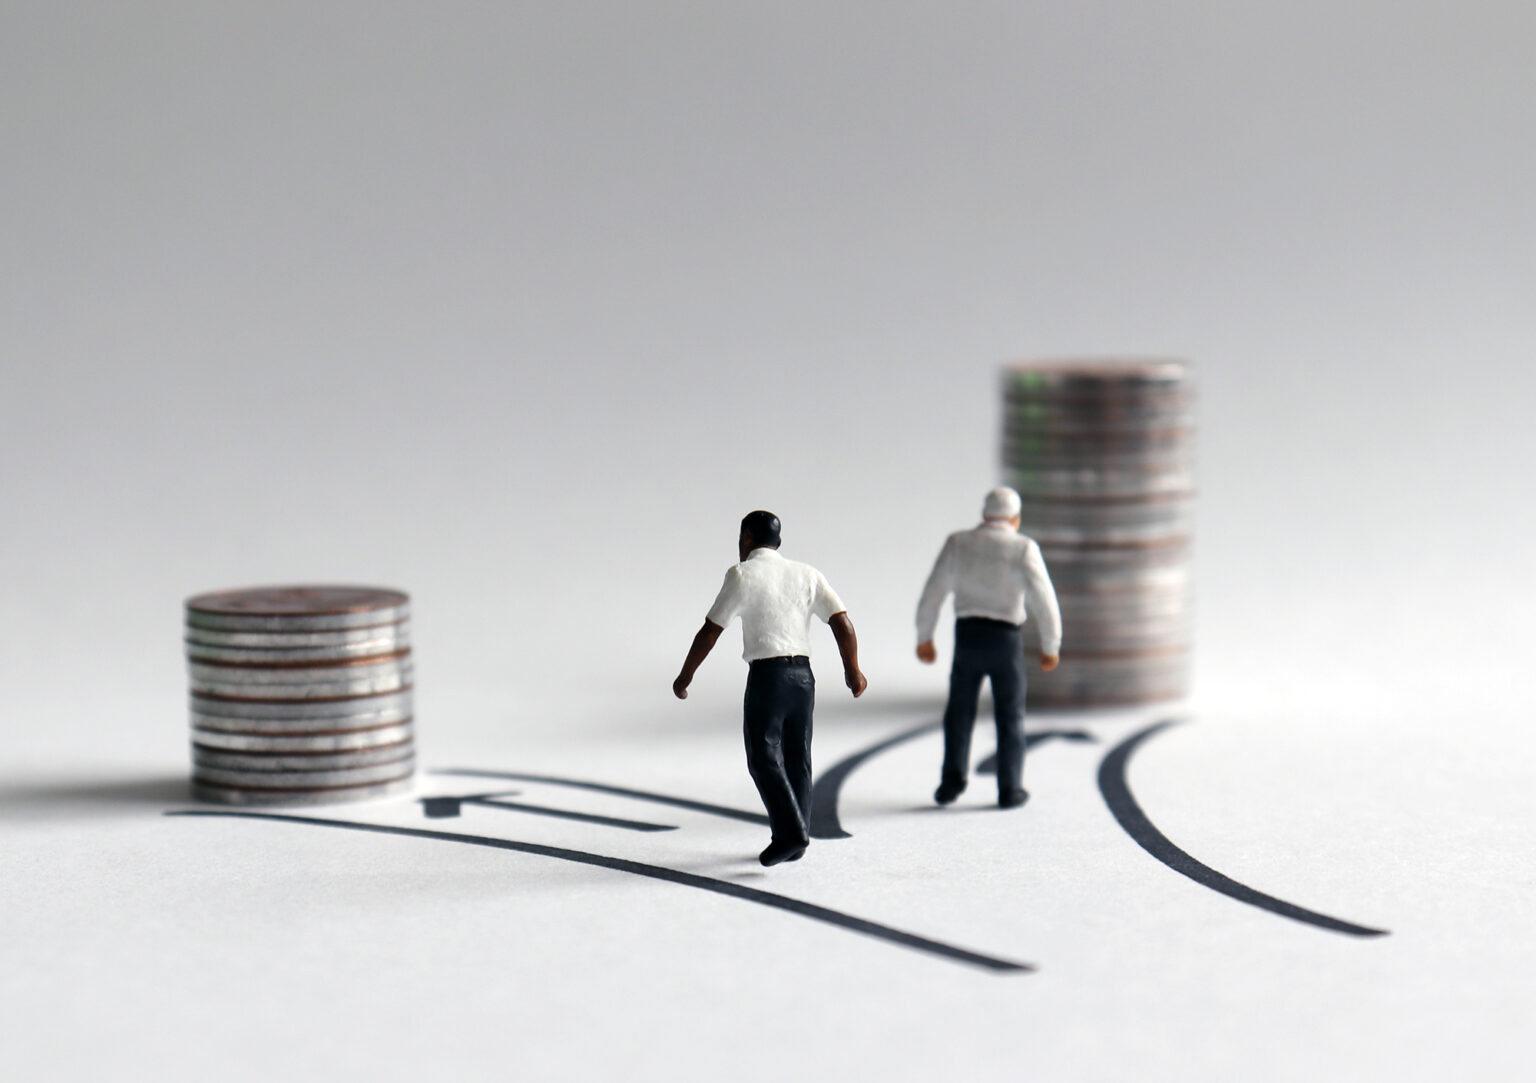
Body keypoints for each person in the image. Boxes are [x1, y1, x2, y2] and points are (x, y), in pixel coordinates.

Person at [673, 511, 867, 865]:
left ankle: (791, 833)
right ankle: (798, 834)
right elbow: (842, 621)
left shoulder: (742, 574)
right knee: (798, 756)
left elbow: (711, 630)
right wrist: (853, 670)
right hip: (803, 678)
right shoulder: (807, 574)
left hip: (768, 677)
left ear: (746, 538)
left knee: (763, 757)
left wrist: (686, 675)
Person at [915, 487, 1062, 809]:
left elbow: (934, 590)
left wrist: (924, 636)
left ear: (984, 515)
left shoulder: (959, 542)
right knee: (1010, 715)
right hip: (1006, 641)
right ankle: (1010, 787)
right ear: (1015, 518)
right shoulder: (1024, 547)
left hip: (968, 637)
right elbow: (1044, 599)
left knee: (959, 712)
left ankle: (951, 781)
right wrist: (1051, 644)